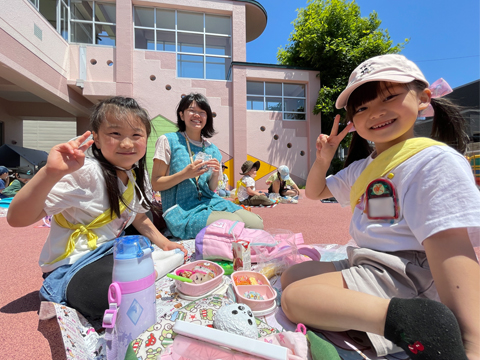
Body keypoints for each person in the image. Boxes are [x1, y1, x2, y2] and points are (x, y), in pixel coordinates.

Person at [281, 54, 480, 360]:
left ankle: (414, 321)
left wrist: (472, 343)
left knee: (295, 299)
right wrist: (325, 156)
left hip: (406, 274)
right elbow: (315, 192)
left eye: (389, 96)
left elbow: (451, 246)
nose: (375, 112)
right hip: (371, 263)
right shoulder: (363, 167)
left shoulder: (433, 161)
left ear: (424, 99)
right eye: (362, 108)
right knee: (291, 276)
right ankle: (393, 317)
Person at [7, 96, 186, 325]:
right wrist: (50, 173)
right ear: (97, 140)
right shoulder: (86, 172)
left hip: (109, 252)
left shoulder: (134, 175)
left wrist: (165, 244)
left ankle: (146, 270)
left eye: (136, 135)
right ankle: (144, 272)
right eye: (115, 134)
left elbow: (140, 218)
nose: (127, 143)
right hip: (73, 266)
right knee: (107, 293)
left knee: (138, 261)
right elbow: (16, 219)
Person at [151, 93, 264, 239]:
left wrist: (216, 174)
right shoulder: (168, 141)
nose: (197, 115)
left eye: (202, 112)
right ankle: (176, 231)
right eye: (192, 110)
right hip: (182, 211)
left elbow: (210, 188)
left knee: (256, 223)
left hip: (210, 201)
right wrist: (185, 174)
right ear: (182, 114)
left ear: (207, 117)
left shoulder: (212, 149)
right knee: (234, 223)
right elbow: (156, 183)